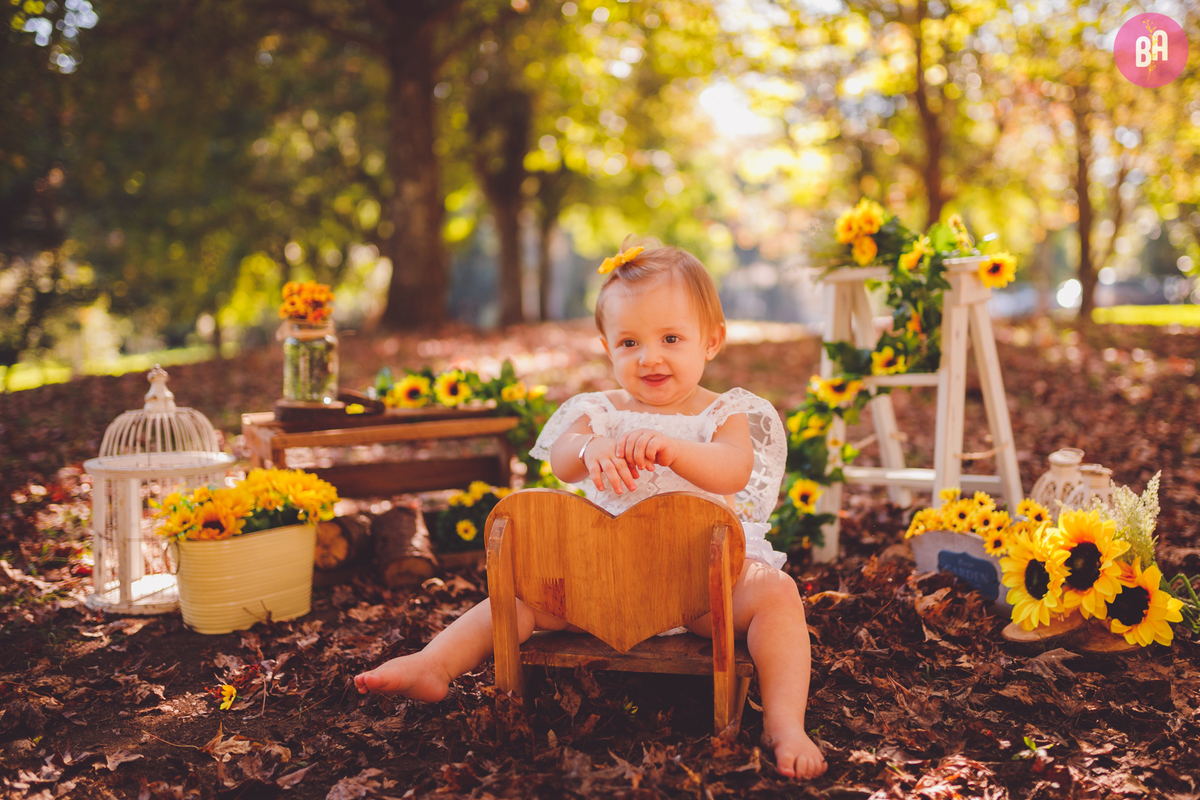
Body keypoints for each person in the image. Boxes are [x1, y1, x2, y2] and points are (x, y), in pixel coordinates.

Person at [355, 240, 827, 780]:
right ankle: (433, 663)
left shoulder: (724, 414)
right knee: (518, 597)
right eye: (630, 342)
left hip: (700, 587)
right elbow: (561, 460)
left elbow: (733, 470)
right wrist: (589, 449)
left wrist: (678, 452)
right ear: (607, 348)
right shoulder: (599, 411)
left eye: (671, 338)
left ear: (711, 341)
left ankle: (786, 722)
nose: (650, 356)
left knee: (778, 595)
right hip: (601, 580)